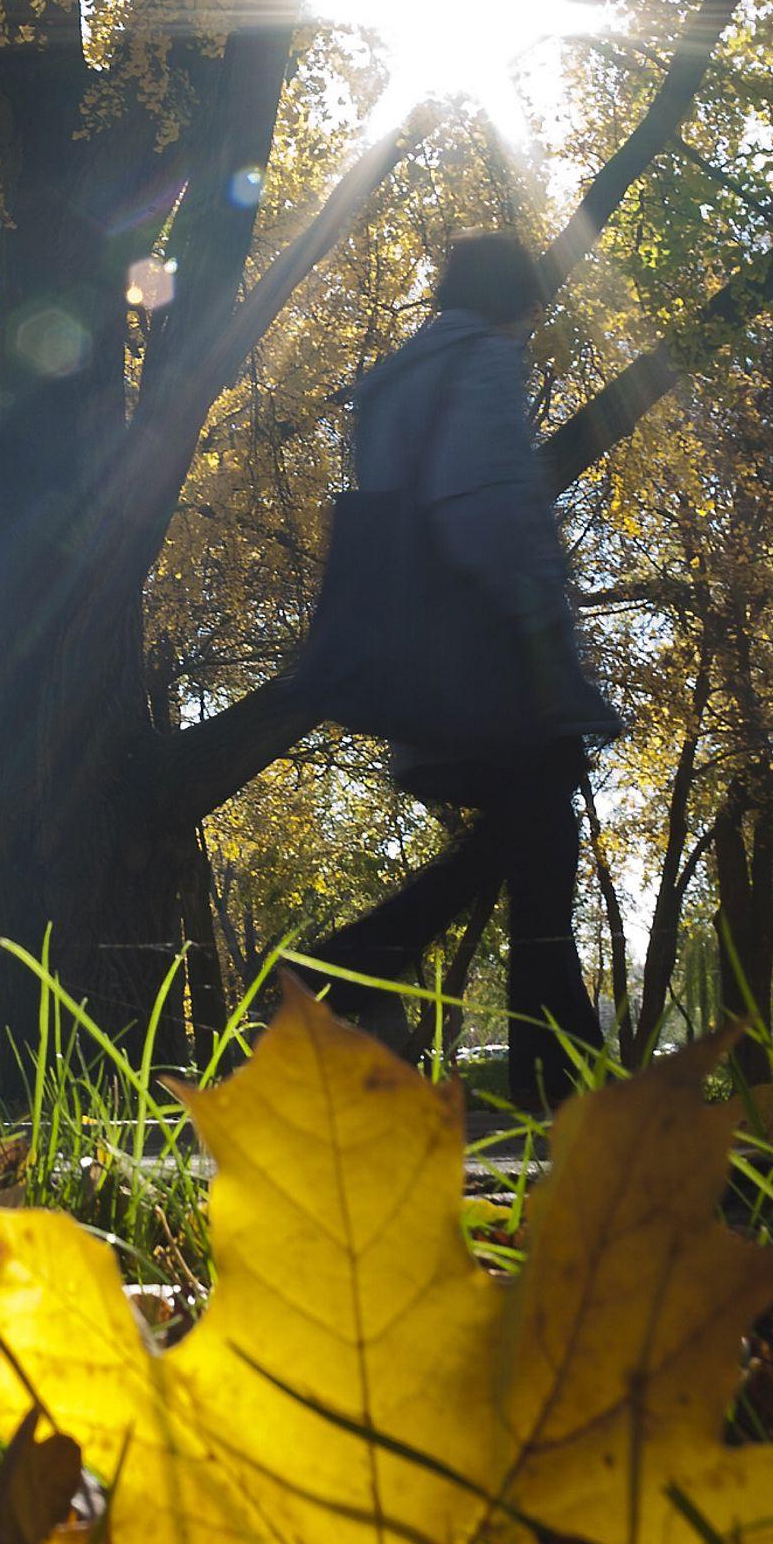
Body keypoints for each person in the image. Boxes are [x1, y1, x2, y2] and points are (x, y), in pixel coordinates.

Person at [296, 232, 620, 1106]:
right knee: (537, 847)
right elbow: (488, 510)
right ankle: (339, 974)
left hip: (426, 655)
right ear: (516, 299)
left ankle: (563, 1084)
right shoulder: (479, 362)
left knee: (525, 844)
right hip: (492, 652)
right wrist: (549, 637)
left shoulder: (399, 380)